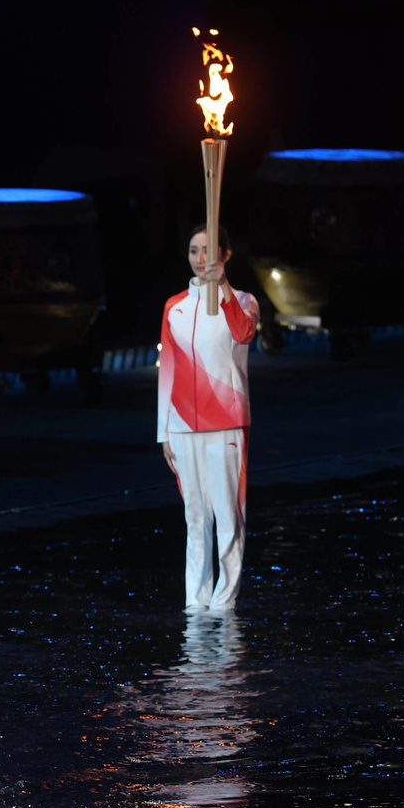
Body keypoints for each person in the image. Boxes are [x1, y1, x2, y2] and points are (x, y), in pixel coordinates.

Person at [157, 223, 260, 613]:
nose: (201, 259)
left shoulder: (245, 300)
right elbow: (167, 370)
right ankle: (195, 602)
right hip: (183, 425)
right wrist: (163, 431)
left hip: (228, 423)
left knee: (228, 517)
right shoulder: (174, 307)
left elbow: (244, 333)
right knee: (195, 517)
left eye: (209, 251)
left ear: (226, 255)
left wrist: (225, 290)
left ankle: (223, 603)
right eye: (194, 251)